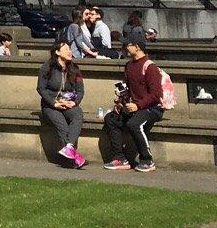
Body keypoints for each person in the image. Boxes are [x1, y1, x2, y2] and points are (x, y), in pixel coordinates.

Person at [104, 39, 170, 172]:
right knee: (110, 119)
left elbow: (156, 95)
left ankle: (147, 160)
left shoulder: (150, 67)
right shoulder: (129, 65)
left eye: (127, 45)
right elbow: (128, 89)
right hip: (135, 106)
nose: (125, 48)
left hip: (152, 108)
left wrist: (138, 105)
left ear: (137, 47)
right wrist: (121, 102)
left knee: (134, 124)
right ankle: (120, 158)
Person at [38, 40, 88, 168]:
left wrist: (74, 102)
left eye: (70, 49)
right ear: (57, 52)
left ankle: (69, 148)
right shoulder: (47, 67)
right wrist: (54, 103)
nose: (70, 52)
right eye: (66, 49)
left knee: (77, 115)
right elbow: (41, 88)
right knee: (63, 126)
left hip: (68, 103)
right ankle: (72, 160)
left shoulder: (74, 69)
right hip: (51, 105)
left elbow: (80, 90)